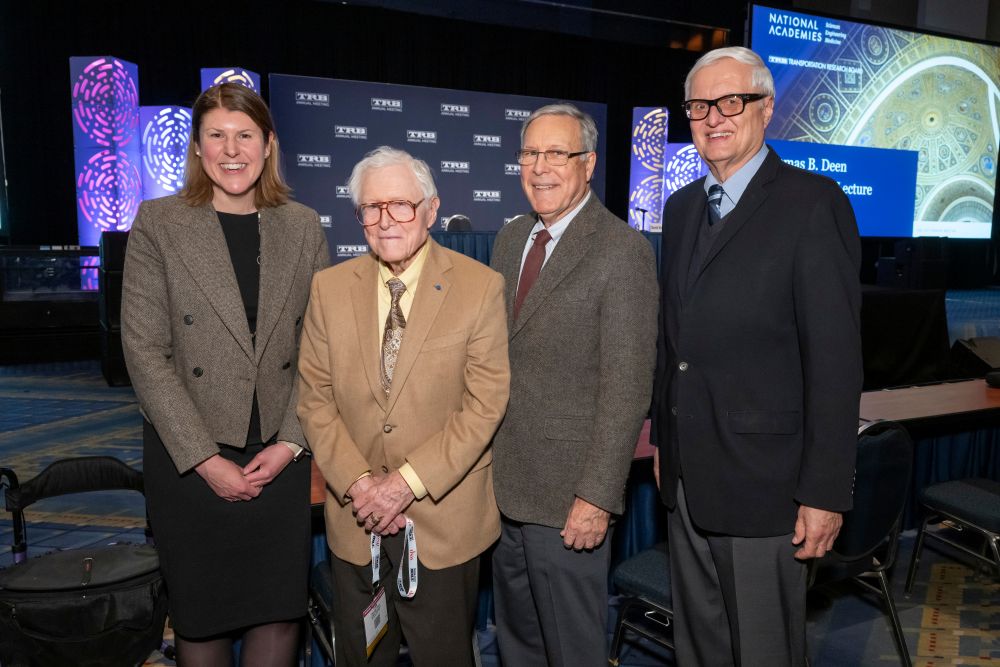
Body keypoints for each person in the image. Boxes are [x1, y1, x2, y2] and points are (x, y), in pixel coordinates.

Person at [651, 46, 862, 666]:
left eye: (731, 101)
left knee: (764, 652)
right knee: (700, 648)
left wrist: (825, 493)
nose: (714, 116)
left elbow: (835, 364)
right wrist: (666, 442)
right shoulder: (682, 207)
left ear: (766, 108)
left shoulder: (813, 205)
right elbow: (675, 343)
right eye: (698, 105)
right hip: (687, 479)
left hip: (768, 488)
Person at [121, 82, 329, 665]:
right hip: (190, 462)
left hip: (279, 459)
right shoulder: (159, 223)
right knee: (202, 621)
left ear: (268, 145)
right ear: (197, 147)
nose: (231, 149)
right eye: (216, 135)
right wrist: (206, 461)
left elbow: (320, 349)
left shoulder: (303, 225)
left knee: (277, 618)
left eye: (245, 135)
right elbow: (145, 351)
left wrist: (291, 443)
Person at [296, 146, 510, 667]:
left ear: (431, 210)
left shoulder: (480, 288)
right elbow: (314, 398)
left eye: (401, 205)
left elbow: (485, 404)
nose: (385, 219)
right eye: (371, 207)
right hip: (355, 519)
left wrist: (403, 484)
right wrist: (359, 484)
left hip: (441, 523)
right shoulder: (328, 289)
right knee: (363, 656)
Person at [489, 103, 658, 666]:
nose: (540, 167)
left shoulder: (621, 250)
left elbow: (628, 386)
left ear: (587, 163)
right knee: (519, 648)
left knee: (573, 651)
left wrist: (597, 496)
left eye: (556, 154)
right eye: (530, 153)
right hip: (505, 490)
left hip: (569, 500)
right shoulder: (512, 241)